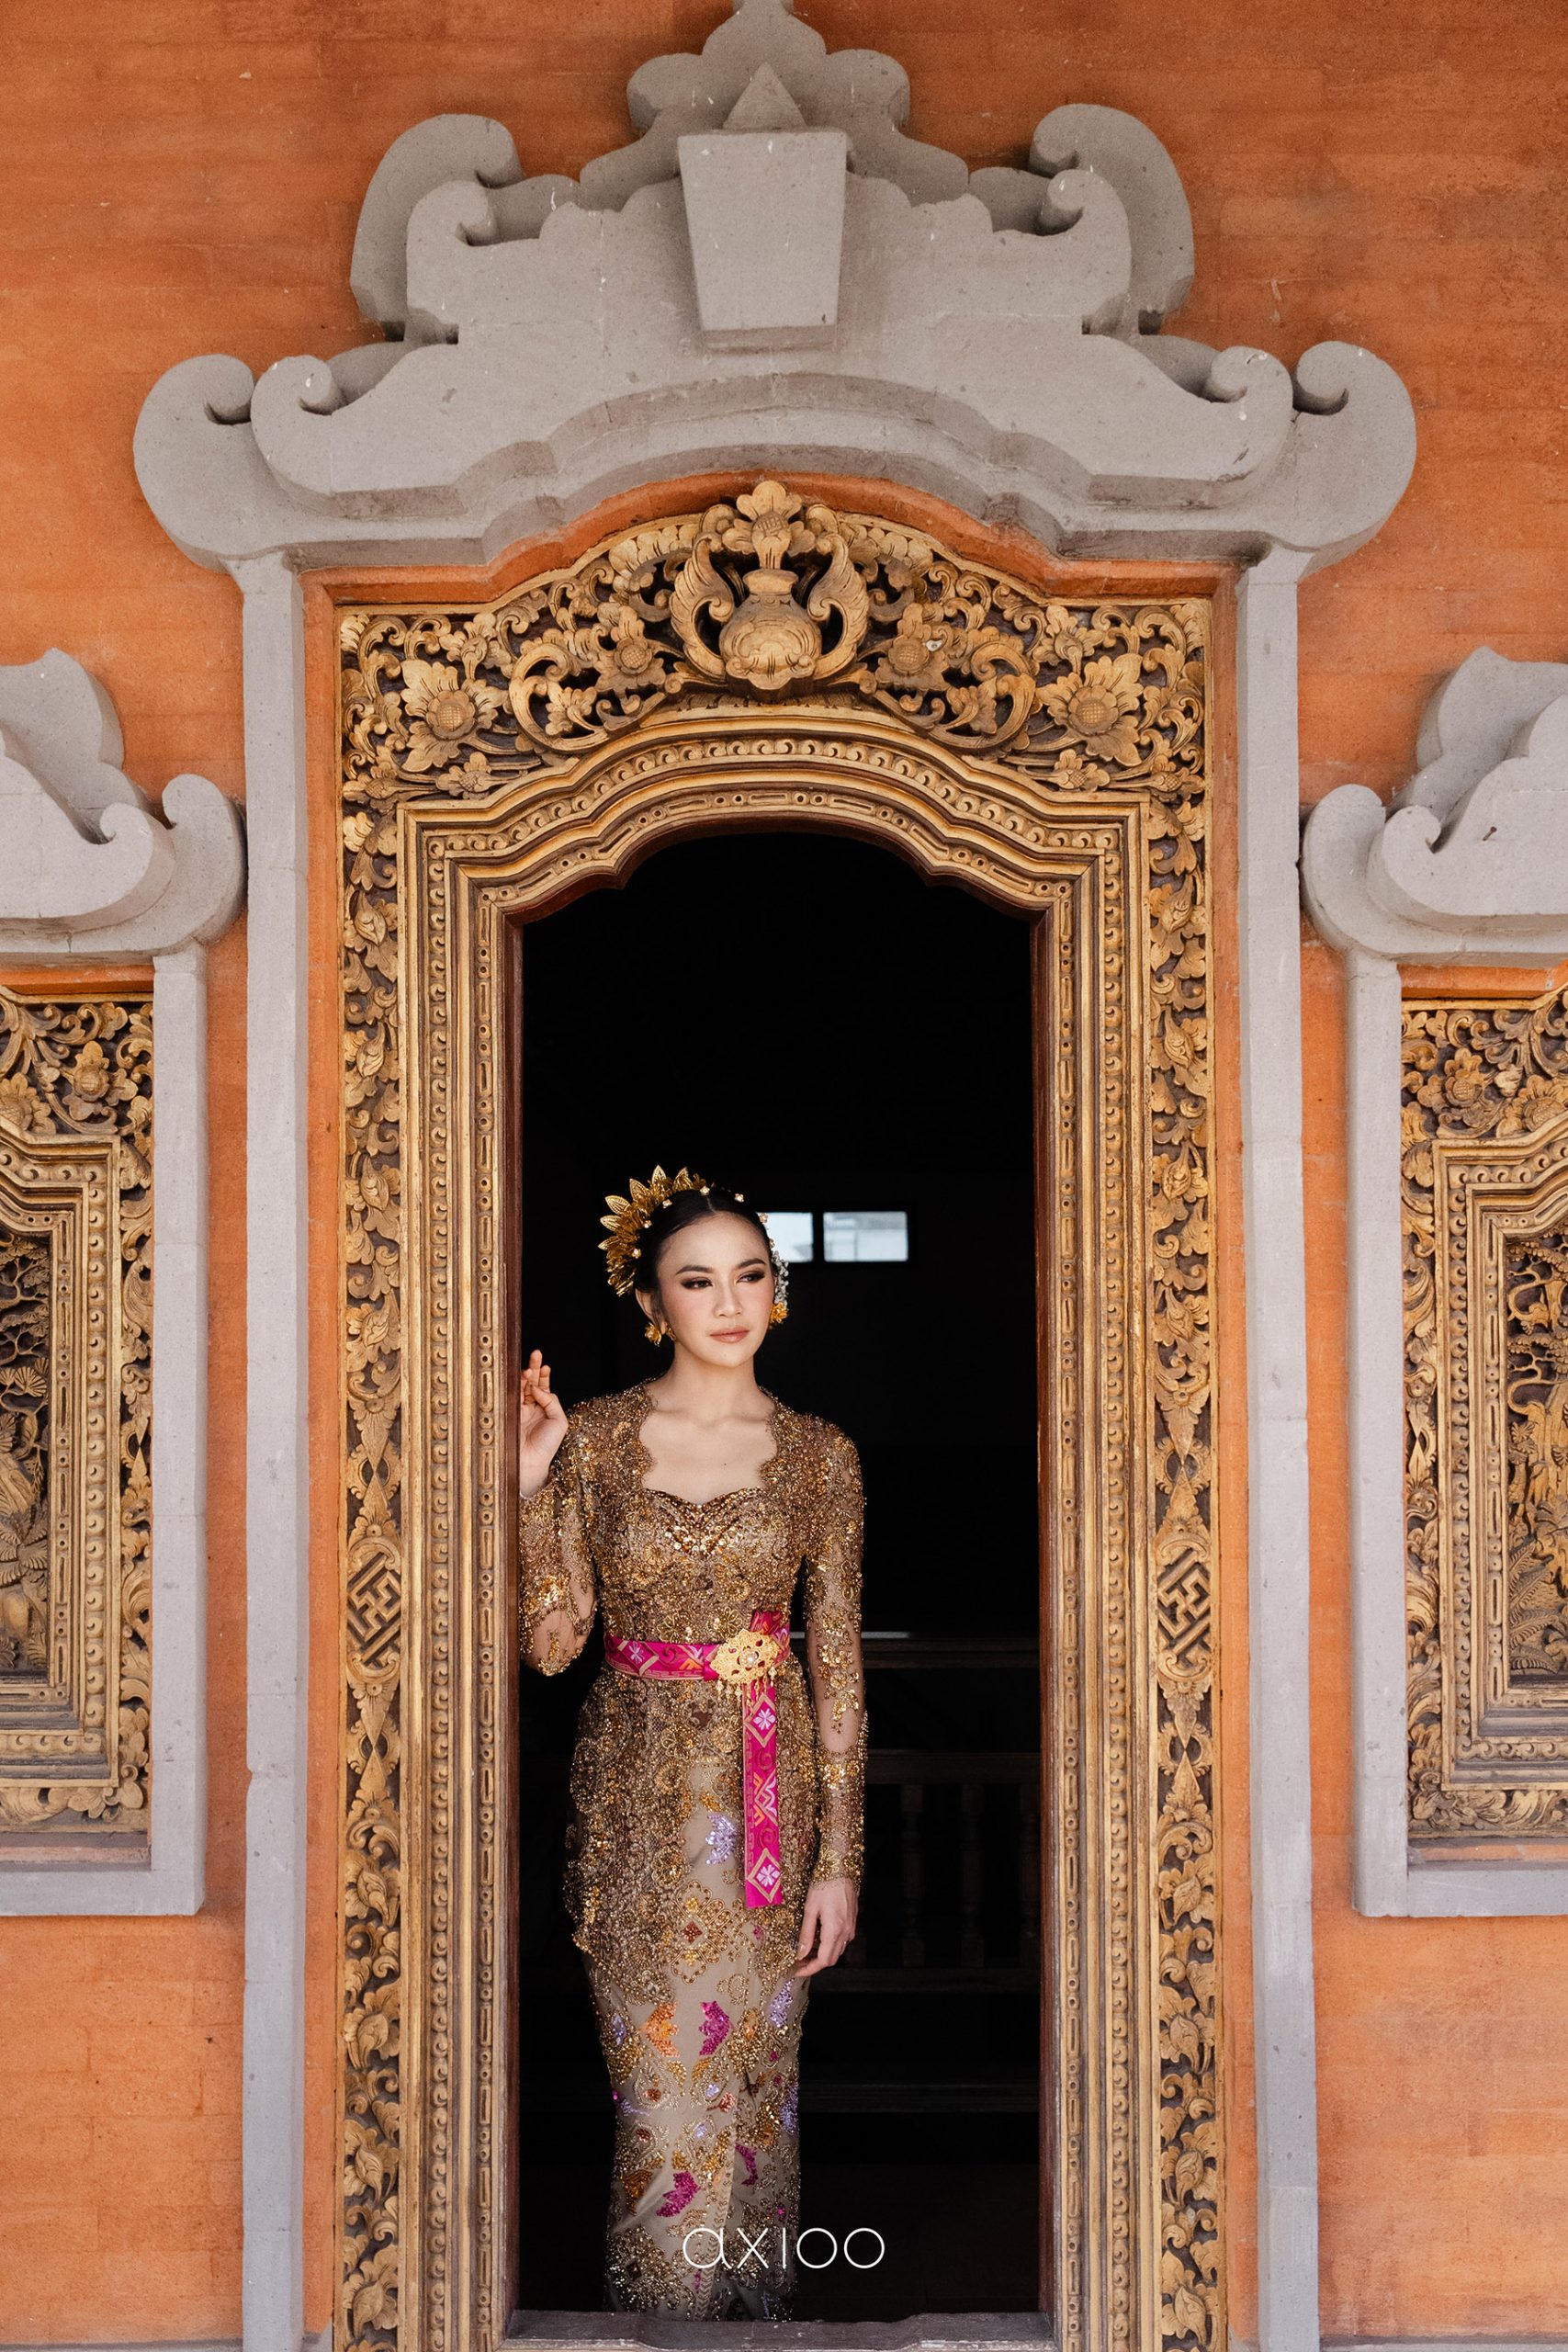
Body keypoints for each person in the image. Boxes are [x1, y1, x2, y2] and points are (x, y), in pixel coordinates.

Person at [517, 1165, 868, 2319]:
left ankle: (755, 2332)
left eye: (749, 1275)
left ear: (778, 1290)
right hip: (637, 1814)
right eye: (698, 1280)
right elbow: (553, 1646)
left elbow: (838, 1670)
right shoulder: (594, 1439)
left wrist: (840, 1862)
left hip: (773, 1814)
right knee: (662, 2110)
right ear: (651, 1302)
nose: (729, 1302)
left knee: (758, 2100)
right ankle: (659, 2329)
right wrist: (526, 1487)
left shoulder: (820, 1455)